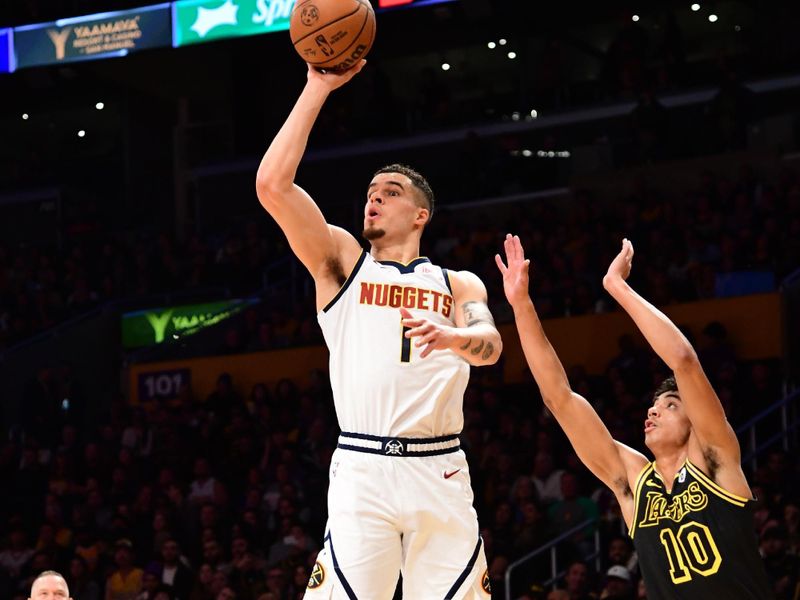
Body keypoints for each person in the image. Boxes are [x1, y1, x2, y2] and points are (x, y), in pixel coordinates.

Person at [255, 60, 502, 599]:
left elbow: (490, 347)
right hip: (363, 468)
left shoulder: (459, 285)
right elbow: (272, 185)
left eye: (390, 192)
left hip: (440, 469)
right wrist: (316, 87)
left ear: (420, 214)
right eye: (371, 191)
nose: (374, 197)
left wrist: (454, 337)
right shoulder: (343, 261)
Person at [496, 235, 772, 598]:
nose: (654, 409)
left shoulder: (715, 460)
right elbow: (559, 399)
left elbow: (684, 361)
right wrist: (521, 305)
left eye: (672, 404)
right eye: (654, 405)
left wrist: (616, 286)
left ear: (696, 423)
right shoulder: (635, 481)